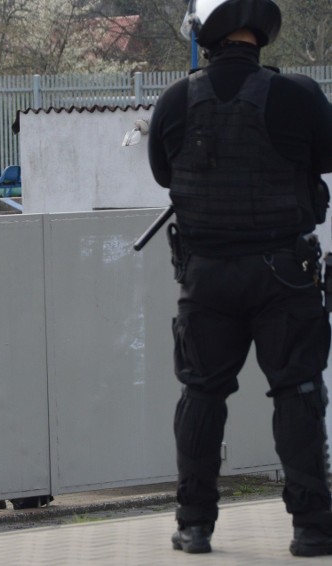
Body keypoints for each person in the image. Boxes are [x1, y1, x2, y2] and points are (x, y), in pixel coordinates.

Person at [147, 0, 332, 557]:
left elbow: (161, 172)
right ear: (260, 34)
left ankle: (195, 524)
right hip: (285, 274)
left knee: (202, 395)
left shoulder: (177, 99)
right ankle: (312, 528)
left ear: (206, 34)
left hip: (205, 278)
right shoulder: (297, 94)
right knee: (297, 393)